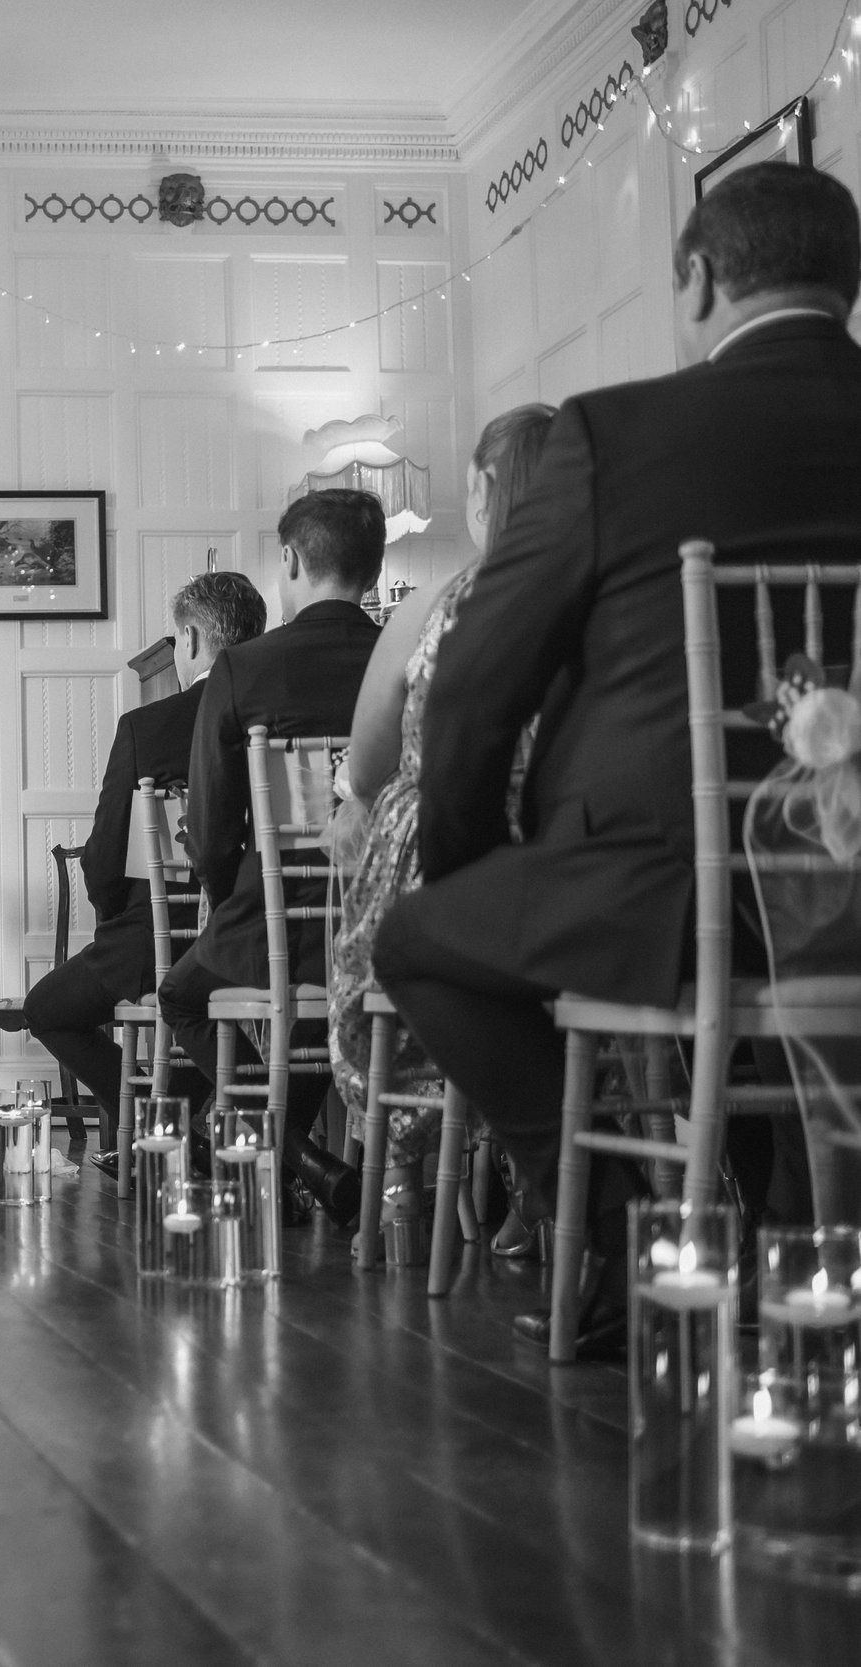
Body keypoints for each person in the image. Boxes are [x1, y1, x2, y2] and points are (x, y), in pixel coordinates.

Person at [375, 161, 861, 1359]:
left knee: (418, 942)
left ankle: (619, 1234)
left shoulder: (617, 433)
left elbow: (483, 679)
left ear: (696, 279)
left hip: (665, 882)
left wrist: (475, 868)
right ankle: (791, 1247)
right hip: (847, 894)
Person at [325, 405, 554, 1212]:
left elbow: (367, 764)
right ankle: (531, 1177)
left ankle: (402, 1177)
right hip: (566, 852)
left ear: (484, 490)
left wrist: (357, 804)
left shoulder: (436, 606)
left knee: (387, 939)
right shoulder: (602, 597)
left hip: (447, 857)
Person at [156, 489, 385, 1224]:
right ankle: (301, 1159)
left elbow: (211, 822)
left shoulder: (244, 668)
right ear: (373, 568)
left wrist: (232, 905)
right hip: (381, 915)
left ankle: (290, 1156)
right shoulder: (404, 657)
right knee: (313, 1019)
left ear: (289, 559)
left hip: (275, 911)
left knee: (181, 994)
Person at [30, 573, 265, 1182]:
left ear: (188, 638)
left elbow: (105, 856)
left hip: (156, 935)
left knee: (48, 1008)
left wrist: (120, 919)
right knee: (189, 1014)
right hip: (262, 935)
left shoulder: (149, 726)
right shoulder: (275, 716)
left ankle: (156, 1127)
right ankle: (175, 1129)